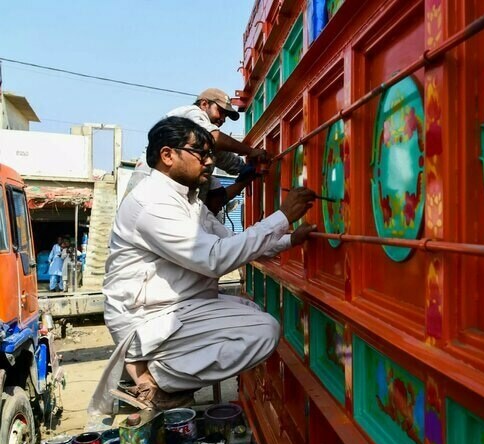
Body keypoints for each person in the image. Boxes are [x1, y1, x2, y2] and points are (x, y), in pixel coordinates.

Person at [89, 116, 316, 413]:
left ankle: (163, 368)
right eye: (201, 153)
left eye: (210, 154)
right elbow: (215, 258)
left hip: (180, 305)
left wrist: (289, 239)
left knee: (249, 311)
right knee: (264, 331)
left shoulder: (189, 202)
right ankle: (154, 378)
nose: (210, 161)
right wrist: (282, 216)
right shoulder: (152, 203)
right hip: (148, 317)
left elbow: (232, 241)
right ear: (167, 155)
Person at [125, 88, 265, 212]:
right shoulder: (192, 112)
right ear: (204, 104)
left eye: (226, 116)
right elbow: (214, 137)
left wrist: (246, 169)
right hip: (153, 192)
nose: (223, 119)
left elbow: (224, 157)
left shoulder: (204, 143)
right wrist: (250, 151)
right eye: (221, 112)